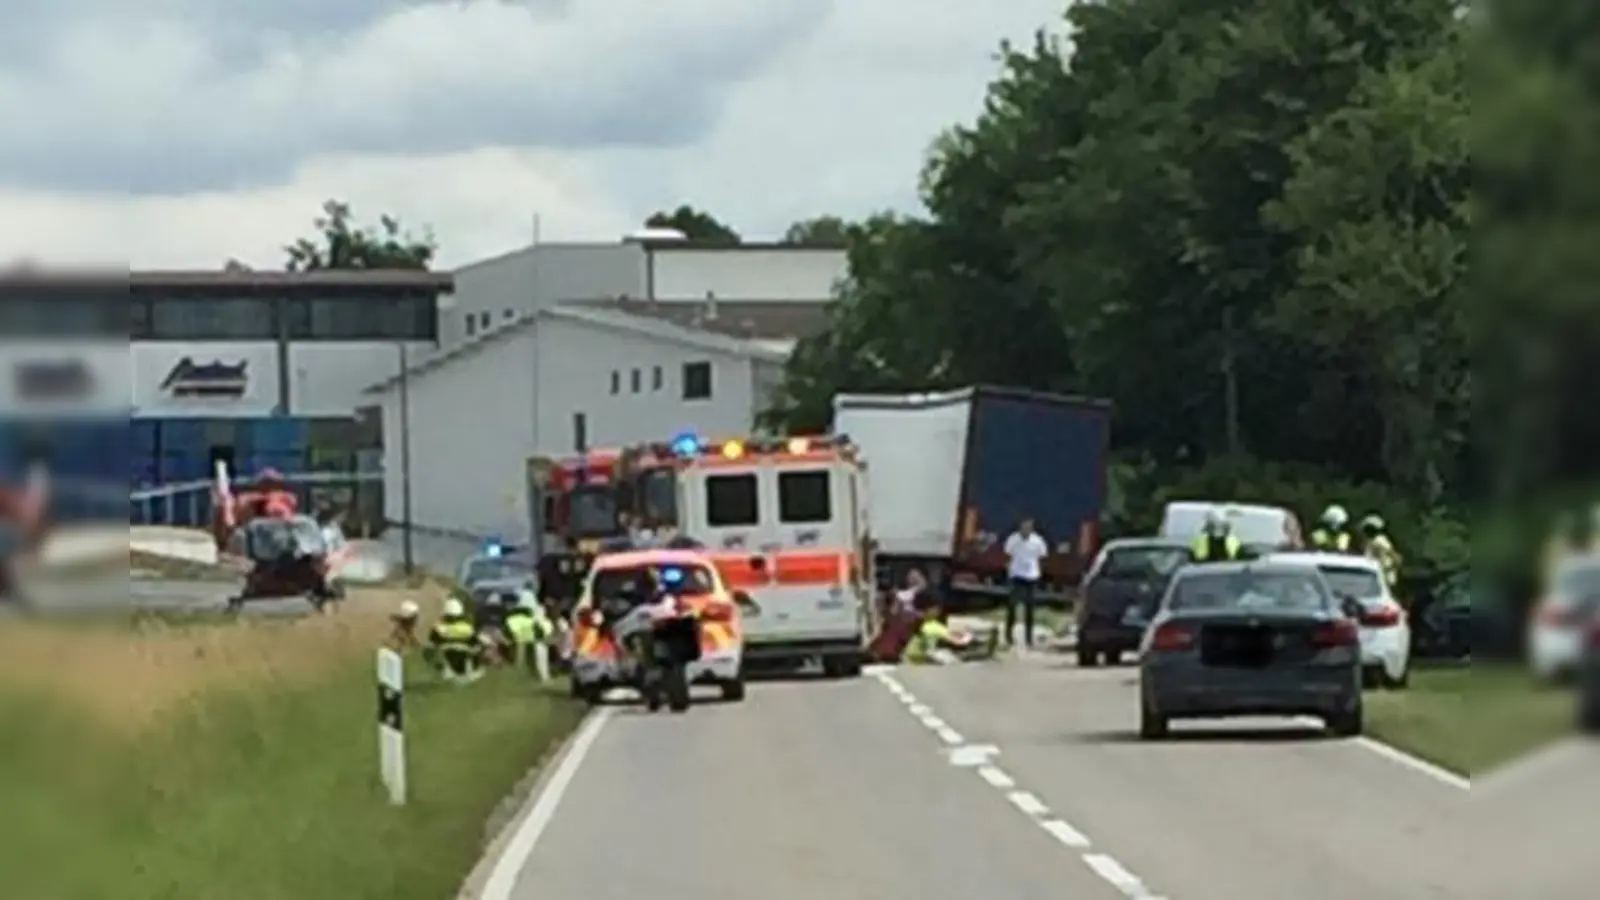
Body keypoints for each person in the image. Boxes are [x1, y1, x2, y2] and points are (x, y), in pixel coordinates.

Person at [1003, 518, 1049, 648]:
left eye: (1028, 527)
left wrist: (1040, 572)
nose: (1026, 530)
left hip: (1031, 576)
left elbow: (1043, 556)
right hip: (1016, 575)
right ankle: (1008, 635)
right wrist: (1009, 570)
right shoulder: (1013, 539)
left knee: (1030, 609)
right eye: (1024, 527)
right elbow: (1007, 554)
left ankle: (1029, 638)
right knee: (1012, 606)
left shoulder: (1037, 541)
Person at [427, 598, 483, 682]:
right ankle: (472, 669)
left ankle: (442, 670)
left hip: (447, 661)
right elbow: (476, 646)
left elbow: (432, 644)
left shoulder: (439, 628)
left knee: (428, 651)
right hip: (467, 664)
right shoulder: (468, 627)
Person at [1359, 514, 1402, 589]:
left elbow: (1395, 557)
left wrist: (1388, 569)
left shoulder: (1380, 540)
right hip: (1374, 578)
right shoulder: (1369, 541)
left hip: (1384, 579)